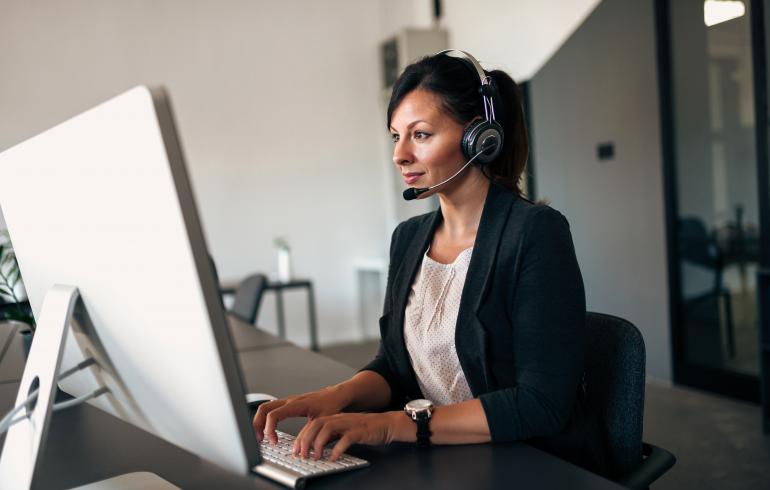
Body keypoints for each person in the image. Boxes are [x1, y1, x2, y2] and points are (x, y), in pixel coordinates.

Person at [252, 50, 608, 475]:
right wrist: (336, 395)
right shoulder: (408, 240)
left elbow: (541, 404)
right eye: (395, 136)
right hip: (445, 456)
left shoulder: (534, 233)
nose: (400, 155)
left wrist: (389, 426)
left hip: (527, 460)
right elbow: (394, 367)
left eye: (420, 135)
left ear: (480, 137)